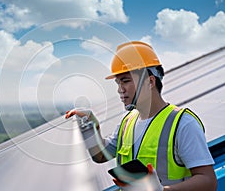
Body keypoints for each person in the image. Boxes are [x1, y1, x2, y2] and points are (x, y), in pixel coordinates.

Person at [65, 41, 217, 190]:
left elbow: (208, 181)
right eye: (118, 83)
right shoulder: (127, 123)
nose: (120, 89)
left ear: (150, 81)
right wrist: (90, 127)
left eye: (125, 81)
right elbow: (100, 156)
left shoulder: (183, 123)